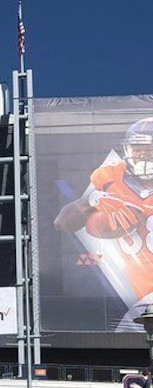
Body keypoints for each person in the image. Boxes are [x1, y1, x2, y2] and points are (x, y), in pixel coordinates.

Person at [54, 117, 153, 329]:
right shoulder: (112, 176)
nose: (144, 155)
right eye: (138, 148)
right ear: (128, 150)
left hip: (144, 299)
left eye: (150, 148)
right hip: (140, 300)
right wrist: (93, 201)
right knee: (128, 339)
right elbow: (62, 222)